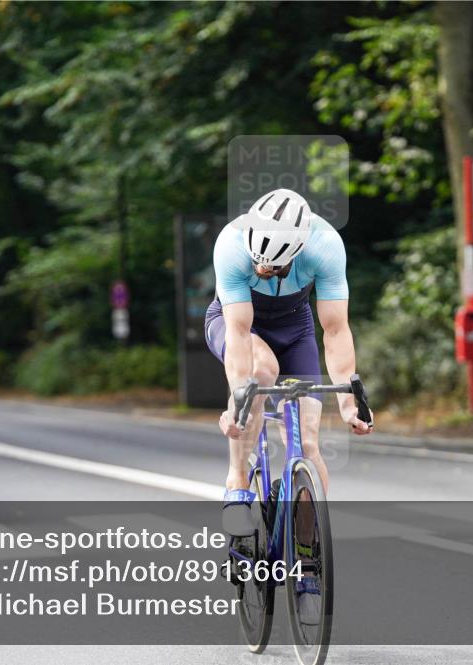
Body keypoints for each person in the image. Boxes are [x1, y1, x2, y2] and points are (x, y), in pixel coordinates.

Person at [205, 188, 373, 615]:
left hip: (295, 328)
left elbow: (335, 330)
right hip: (238, 324)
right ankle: (237, 481)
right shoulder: (231, 244)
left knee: (309, 443)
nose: (262, 269)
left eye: (273, 266)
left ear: (297, 252)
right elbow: (238, 336)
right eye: (258, 261)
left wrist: (349, 403)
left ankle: (307, 553)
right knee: (261, 372)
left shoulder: (325, 245)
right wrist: (238, 401)